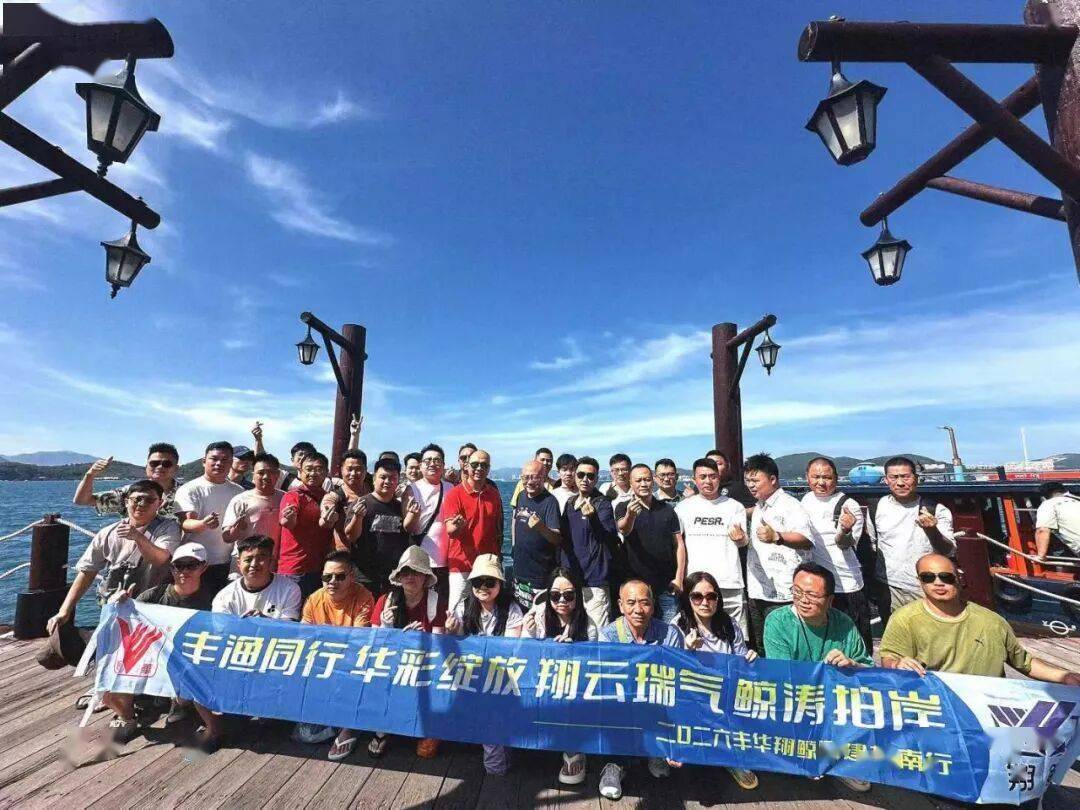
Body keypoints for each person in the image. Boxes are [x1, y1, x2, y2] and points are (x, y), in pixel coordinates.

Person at [881, 554, 1080, 684]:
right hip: (939, 706)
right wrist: (897, 665)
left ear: (960, 579)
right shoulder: (904, 619)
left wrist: (1064, 677)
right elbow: (889, 659)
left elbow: (1023, 662)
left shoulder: (992, 621)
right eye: (928, 577)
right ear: (919, 581)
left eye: (946, 577)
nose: (938, 583)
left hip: (988, 706)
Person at [762, 562, 872, 793]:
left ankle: (838, 759)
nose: (803, 600)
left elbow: (869, 671)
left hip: (836, 702)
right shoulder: (777, 621)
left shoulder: (844, 623)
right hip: (796, 700)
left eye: (812, 595)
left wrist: (852, 664)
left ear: (830, 600)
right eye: (797, 592)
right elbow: (784, 678)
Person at [97, 542, 215, 742]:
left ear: (203, 567)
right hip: (153, 658)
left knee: (181, 710)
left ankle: (178, 704)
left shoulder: (212, 599)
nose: (184, 571)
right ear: (172, 568)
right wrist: (120, 604)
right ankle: (128, 717)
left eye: (192, 565)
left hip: (187, 662)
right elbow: (125, 626)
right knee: (108, 691)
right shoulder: (154, 595)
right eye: (179, 566)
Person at [205, 535, 301, 750]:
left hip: (275, 656)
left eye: (261, 558)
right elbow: (222, 635)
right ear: (239, 563)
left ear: (272, 561)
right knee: (233, 727)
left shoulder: (289, 588)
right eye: (248, 559)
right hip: (239, 658)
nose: (254, 564)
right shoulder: (224, 596)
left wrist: (264, 622)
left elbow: (290, 631)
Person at [48, 480, 180, 636]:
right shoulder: (107, 533)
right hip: (115, 603)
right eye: (137, 499)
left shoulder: (168, 528)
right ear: (126, 501)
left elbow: (160, 559)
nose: (142, 504)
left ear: (160, 504)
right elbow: (87, 572)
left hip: (153, 606)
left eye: (149, 500)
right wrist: (64, 611)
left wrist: (138, 537)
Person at [597, 580, 684, 800]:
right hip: (623, 700)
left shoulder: (670, 634)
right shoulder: (609, 635)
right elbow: (608, 680)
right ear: (620, 605)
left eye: (645, 603)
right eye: (631, 603)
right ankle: (614, 763)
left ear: (653, 606)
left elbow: (676, 678)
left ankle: (657, 751)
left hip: (657, 698)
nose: (638, 609)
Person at [673, 571, 759, 791]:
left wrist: (751, 660)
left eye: (711, 596)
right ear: (688, 599)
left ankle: (731, 756)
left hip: (725, 694)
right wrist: (687, 652)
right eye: (697, 597)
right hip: (692, 695)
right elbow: (670, 671)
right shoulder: (677, 626)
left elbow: (741, 662)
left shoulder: (729, 624)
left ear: (718, 599)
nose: (705, 602)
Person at [444, 555, 524, 775]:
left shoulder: (511, 609)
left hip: (500, 676)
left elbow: (510, 651)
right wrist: (452, 631)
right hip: (469, 673)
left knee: (491, 709)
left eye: (490, 582)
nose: (483, 587)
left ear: (500, 584)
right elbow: (455, 646)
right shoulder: (463, 606)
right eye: (478, 581)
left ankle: (495, 770)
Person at [295, 551, 376, 760]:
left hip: (352, 663)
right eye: (327, 576)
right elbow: (304, 637)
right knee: (306, 734)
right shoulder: (314, 598)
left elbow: (358, 641)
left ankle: (349, 727)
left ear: (351, 577)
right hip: (322, 663)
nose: (332, 582)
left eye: (339, 576)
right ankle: (343, 720)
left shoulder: (364, 597)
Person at [368, 545, 447, 759]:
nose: (410, 577)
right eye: (405, 572)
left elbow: (438, 646)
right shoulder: (385, 601)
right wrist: (388, 629)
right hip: (392, 663)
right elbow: (374, 645)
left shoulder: (436, 602)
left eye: (416, 572)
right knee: (376, 676)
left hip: (425, 664)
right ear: (399, 576)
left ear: (425, 577)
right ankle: (381, 730)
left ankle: (428, 728)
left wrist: (419, 640)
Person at [521, 567, 596, 785]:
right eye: (555, 595)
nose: (561, 600)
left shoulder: (588, 624)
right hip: (541, 682)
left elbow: (593, 666)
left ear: (578, 596)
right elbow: (524, 658)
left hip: (573, 686)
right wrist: (531, 635)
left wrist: (573, 653)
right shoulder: (538, 617)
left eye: (568, 595)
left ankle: (574, 752)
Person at [865, 456, 955, 626]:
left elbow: (948, 551)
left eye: (905, 476)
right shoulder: (875, 508)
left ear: (916, 478)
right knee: (895, 636)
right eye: (894, 477)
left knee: (930, 635)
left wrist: (932, 530)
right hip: (889, 587)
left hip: (925, 587)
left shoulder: (936, 510)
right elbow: (873, 545)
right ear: (886, 480)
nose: (900, 483)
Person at [743, 453, 815, 652]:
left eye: (755, 480)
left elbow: (807, 540)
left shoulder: (791, 506)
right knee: (762, 646)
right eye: (748, 480)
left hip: (784, 593)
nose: (751, 485)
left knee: (787, 647)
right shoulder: (759, 506)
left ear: (773, 479)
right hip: (758, 590)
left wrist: (777, 536)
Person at [800, 457, 871, 650]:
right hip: (817, 587)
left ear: (836, 478)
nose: (821, 482)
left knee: (855, 643)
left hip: (846, 586)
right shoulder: (805, 500)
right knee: (823, 643)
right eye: (816, 477)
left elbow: (845, 544)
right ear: (807, 477)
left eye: (827, 477)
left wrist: (845, 530)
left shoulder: (849, 505)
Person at [675, 458, 749, 635]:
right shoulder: (683, 508)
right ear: (694, 479)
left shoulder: (735, 507)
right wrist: (680, 578)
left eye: (713, 476)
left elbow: (743, 542)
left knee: (735, 633)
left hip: (729, 581)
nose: (708, 481)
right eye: (703, 477)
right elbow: (678, 545)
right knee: (696, 633)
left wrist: (741, 538)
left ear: (719, 478)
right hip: (695, 582)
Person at [616, 464, 685, 622]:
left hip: (666, 584)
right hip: (636, 585)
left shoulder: (667, 509)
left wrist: (679, 578)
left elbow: (679, 544)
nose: (643, 484)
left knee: (669, 629)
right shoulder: (623, 507)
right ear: (631, 482)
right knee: (639, 628)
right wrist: (630, 515)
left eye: (647, 479)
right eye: (638, 480)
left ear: (653, 481)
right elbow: (624, 529)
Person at [175, 441, 245, 591]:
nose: (219, 463)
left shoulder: (239, 492)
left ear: (231, 463)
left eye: (225, 460)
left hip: (228, 563)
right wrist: (203, 524)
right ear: (204, 461)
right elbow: (186, 523)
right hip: (195, 563)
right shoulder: (190, 489)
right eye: (214, 459)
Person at [440, 448, 504, 610]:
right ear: (467, 466)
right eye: (475, 464)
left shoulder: (494, 495)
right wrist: (457, 527)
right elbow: (450, 530)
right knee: (457, 612)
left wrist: (498, 557)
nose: (479, 468)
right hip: (462, 564)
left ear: (489, 469)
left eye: (484, 465)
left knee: (487, 611)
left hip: (488, 564)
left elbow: (498, 529)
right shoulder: (454, 494)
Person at [559, 456, 615, 628]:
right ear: (575, 476)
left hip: (594, 581)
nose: (585, 479)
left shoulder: (603, 504)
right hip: (570, 580)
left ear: (596, 479)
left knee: (596, 633)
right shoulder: (570, 503)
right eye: (581, 474)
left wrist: (593, 518)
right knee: (570, 630)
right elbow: (563, 538)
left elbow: (609, 538)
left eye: (590, 476)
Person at [346, 458, 410, 596]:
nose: (387, 481)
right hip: (364, 576)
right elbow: (351, 536)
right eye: (383, 477)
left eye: (393, 478)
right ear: (374, 479)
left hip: (393, 576)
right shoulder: (360, 503)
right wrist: (357, 517)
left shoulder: (400, 507)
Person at [278, 452, 337, 598]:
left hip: (321, 569)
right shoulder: (293, 495)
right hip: (295, 569)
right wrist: (289, 518)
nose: (313, 473)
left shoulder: (329, 497)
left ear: (326, 472)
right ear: (300, 471)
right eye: (308, 469)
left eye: (318, 469)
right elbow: (287, 523)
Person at [74, 442, 182, 520]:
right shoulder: (129, 492)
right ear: (146, 466)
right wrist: (90, 475)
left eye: (166, 464)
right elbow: (82, 500)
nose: (159, 467)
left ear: (176, 468)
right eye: (154, 463)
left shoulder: (186, 493)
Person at [401, 443, 453, 601]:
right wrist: (413, 515)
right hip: (421, 561)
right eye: (428, 460)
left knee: (442, 604)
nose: (432, 464)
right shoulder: (412, 490)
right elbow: (407, 528)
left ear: (443, 465)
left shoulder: (451, 488)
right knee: (421, 603)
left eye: (437, 460)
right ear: (421, 466)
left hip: (446, 561)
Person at [511, 460, 563, 609]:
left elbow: (557, 538)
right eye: (525, 477)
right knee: (520, 614)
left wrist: (541, 527)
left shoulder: (550, 502)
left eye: (534, 477)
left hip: (540, 575)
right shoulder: (521, 496)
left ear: (543, 477)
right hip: (519, 571)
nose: (529, 482)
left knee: (539, 616)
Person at [222, 452, 284, 565]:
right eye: (261, 473)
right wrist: (235, 530)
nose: (266, 477)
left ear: (278, 474)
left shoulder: (285, 498)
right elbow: (227, 538)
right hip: (245, 562)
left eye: (271, 472)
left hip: (275, 561)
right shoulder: (241, 500)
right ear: (253, 475)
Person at [1034, 481, 1080, 560]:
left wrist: (1041, 556)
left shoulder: (1048, 504)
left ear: (1045, 495)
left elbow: (1042, 530)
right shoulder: (1077, 502)